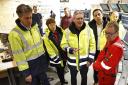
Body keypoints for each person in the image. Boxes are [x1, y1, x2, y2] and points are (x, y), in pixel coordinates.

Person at [8, 4, 50, 85]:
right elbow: (19, 56)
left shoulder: (35, 27)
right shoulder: (14, 34)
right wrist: (26, 73)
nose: (30, 20)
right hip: (31, 67)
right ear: (20, 18)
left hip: (41, 64)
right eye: (26, 18)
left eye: (31, 17)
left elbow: (40, 45)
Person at [61, 10, 96, 85]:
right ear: (73, 19)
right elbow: (63, 44)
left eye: (81, 18)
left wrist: (90, 59)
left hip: (85, 62)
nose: (80, 20)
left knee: (84, 78)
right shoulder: (67, 31)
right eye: (78, 18)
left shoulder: (89, 30)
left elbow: (93, 45)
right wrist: (70, 49)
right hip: (72, 62)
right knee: (73, 78)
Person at [43, 18, 68, 85]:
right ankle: (62, 81)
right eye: (51, 25)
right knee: (59, 69)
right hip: (57, 56)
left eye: (54, 24)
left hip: (63, 53)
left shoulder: (61, 31)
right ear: (48, 26)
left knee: (63, 68)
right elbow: (49, 49)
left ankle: (63, 79)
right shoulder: (46, 37)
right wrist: (55, 58)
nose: (53, 26)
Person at [88, 9, 108, 85]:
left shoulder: (108, 24)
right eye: (95, 15)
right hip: (95, 50)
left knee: (104, 67)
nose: (98, 16)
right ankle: (96, 81)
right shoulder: (90, 25)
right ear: (93, 17)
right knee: (96, 67)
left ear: (102, 15)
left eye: (99, 14)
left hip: (105, 51)